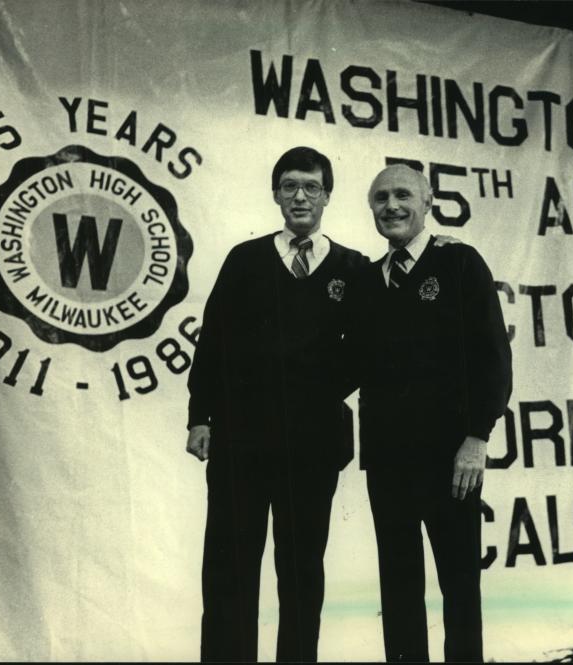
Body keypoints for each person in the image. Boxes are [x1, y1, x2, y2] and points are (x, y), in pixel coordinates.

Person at [185, 146, 366, 662]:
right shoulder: (245, 260)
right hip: (241, 440)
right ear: (275, 195)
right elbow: (213, 340)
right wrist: (201, 416)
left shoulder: (353, 268)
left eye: (311, 186)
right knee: (229, 568)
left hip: (314, 445)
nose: (300, 196)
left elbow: (370, 349)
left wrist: (318, 387)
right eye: (290, 186)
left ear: (328, 195)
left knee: (302, 569)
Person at [347, 164, 513, 662]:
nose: (391, 206)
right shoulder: (368, 280)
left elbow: (493, 358)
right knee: (398, 588)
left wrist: (476, 437)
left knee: (459, 586)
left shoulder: (459, 263)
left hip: (450, 460)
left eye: (403, 195)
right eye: (380, 198)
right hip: (387, 460)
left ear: (428, 202)